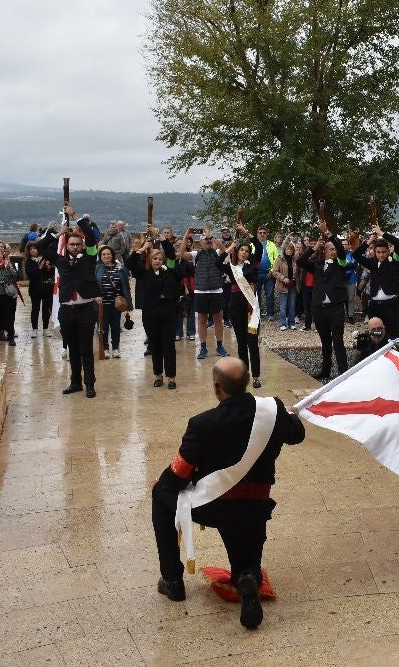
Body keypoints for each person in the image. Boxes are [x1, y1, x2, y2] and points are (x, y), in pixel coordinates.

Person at [151, 357, 305, 627]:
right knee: (247, 565)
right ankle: (247, 579)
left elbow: (179, 475)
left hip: (211, 505)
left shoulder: (202, 424)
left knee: (160, 496)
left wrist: (160, 482)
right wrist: (289, 416)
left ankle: (173, 580)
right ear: (247, 381)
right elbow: (297, 435)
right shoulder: (274, 411)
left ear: (216, 387)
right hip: (254, 507)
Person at [39, 206, 101, 398]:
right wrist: (59, 233)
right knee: (72, 349)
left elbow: (90, 235)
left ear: (82, 246)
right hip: (67, 310)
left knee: (86, 349)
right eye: (72, 244)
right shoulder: (60, 261)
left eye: (77, 244)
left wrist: (74, 216)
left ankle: (89, 384)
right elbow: (40, 248)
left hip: (85, 310)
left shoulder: (89, 257)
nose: (74, 247)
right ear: (67, 246)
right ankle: (75, 382)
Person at [129, 232, 185, 389]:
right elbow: (130, 263)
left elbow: (171, 254)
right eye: (155, 259)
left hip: (168, 310)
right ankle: (158, 375)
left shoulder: (169, 270)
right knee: (155, 345)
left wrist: (161, 238)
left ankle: (171, 377)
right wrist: (142, 249)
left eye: (160, 259)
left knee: (169, 345)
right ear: (150, 260)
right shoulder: (143, 273)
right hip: (150, 312)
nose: (158, 261)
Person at [302, 225, 349, 379]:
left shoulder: (340, 264)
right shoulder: (317, 265)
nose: (334, 251)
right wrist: (314, 247)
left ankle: (343, 371)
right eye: (331, 249)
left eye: (335, 249)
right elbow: (301, 261)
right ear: (325, 251)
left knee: (338, 340)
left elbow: (341, 251)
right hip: (319, 308)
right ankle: (326, 370)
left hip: (335, 307)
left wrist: (329, 233)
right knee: (325, 340)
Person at [223, 224, 264, 389]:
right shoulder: (231, 267)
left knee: (252, 343)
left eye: (247, 251)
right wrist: (229, 248)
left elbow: (259, 247)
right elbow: (217, 262)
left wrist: (246, 232)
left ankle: (256, 376)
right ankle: (244, 375)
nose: (244, 252)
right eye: (242, 250)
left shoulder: (252, 264)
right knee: (241, 342)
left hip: (251, 306)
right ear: (237, 251)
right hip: (236, 305)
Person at [182, 227, 229, 359]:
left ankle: (220, 346)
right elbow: (181, 254)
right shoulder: (196, 255)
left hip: (216, 290)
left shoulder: (217, 252)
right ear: (200, 242)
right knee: (202, 320)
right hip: (201, 291)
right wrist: (186, 236)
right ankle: (203, 348)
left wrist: (211, 236)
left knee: (218, 320)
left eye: (209, 239)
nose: (207, 241)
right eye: (205, 239)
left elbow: (224, 249)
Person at [354, 225, 399, 340]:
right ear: (374, 252)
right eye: (378, 252)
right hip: (374, 306)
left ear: (388, 251)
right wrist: (368, 242)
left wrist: (381, 233)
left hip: (391, 306)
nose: (381, 255)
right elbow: (356, 255)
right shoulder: (372, 263)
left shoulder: (395, 261)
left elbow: (398, 243)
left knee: (392, 336)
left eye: (384, 252)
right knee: (375, 336)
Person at [96, 245, 131, 358]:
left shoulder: (120, 268)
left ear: (112, 255)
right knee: (104, 327)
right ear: (100, 256)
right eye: (103, 254)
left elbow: (125, 285)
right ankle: (105, 348)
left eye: (108, 254)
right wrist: (95, 296)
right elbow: (93, 285)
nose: (106, 256)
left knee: (115, 327)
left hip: (116, 304)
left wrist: (128, 301)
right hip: (102, 305)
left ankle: (116, 348)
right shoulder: (97, 268)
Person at [24, 242, 54, 338]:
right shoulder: (28, 262)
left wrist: (49, 268)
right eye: (31, 249)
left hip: (46, 289)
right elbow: (31, 274)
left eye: (35, 248)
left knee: (46, 309)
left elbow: (51, 273)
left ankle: (45, 329)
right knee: (35, 309)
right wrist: (40, 267)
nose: (33, 250)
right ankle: (34, 329)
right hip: (35, 289)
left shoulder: (45, 258)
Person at [272, 242, 300, 330]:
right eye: (288, 249)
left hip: (293, 285)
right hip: (283, 285)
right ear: (284, 250)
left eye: (291, 249)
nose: (289, 251)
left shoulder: (295, 259)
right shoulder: (279, 259)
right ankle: (282, 323)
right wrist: (283, 278)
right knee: (283, 306)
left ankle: (291, 323)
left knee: (292, 305)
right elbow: (274, 271)